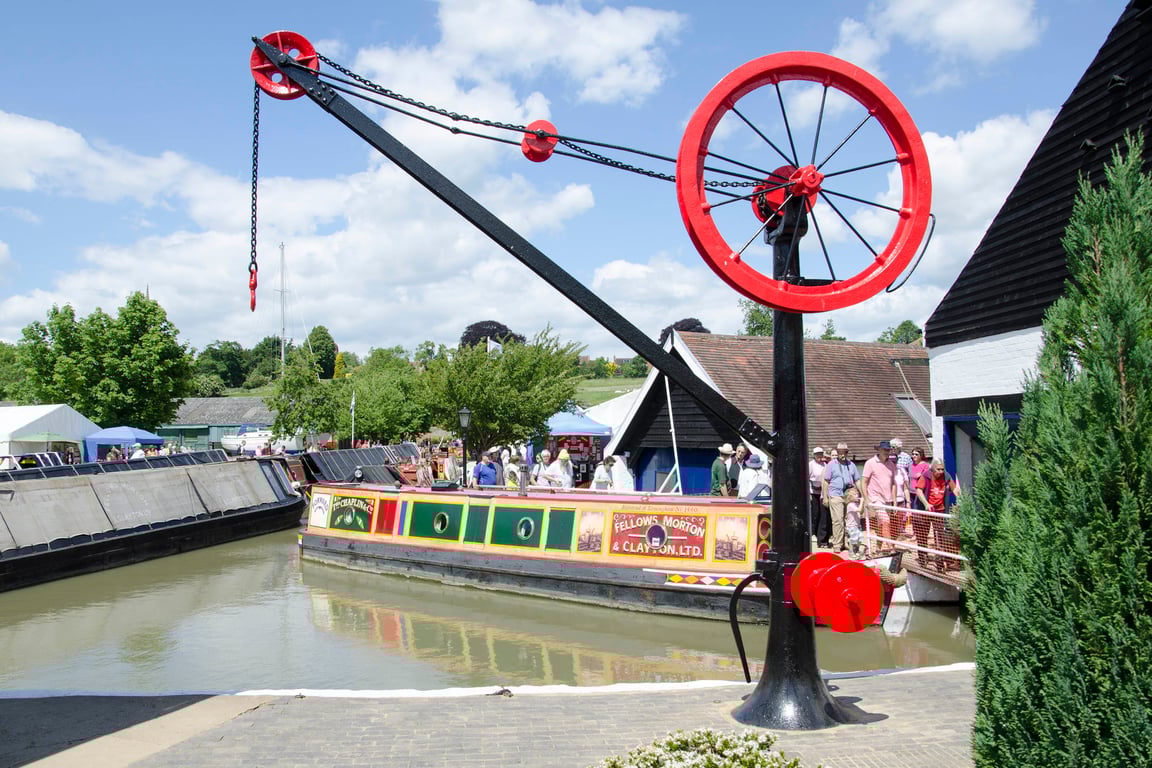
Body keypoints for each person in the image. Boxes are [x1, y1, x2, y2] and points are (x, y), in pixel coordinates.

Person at [915, 459, 961, 569]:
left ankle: (939, 563)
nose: (940, 472)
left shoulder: (946, 476)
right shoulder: (926, 476)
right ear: (932, 468)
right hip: (924, 510)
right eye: (938, 469)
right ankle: (922, 560)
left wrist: (961, 500)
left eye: (942, 469)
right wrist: (926, 504)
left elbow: (955, 489)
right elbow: (919, 490)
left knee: (939, 537)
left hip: (939, 510)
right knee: (922, 536)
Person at [823, 442, 862, 554]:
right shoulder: (831, 464)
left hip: (848, 495)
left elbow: (857, 480)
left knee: (847, 520)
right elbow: (826, 481)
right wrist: (825, 497)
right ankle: (837, 544)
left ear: (847, 452)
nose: (841, 454)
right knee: (838, 520)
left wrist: (862, 493)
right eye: (839, 452)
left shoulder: (851, 465)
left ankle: (844, 542)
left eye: (844, 452)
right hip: (835, 495)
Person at [862, 440, 898, 541]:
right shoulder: (870, 463)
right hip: (875, 498)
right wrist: (866, 498)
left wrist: (894, 502)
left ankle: (878, 548)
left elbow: (894, 484)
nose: (887, 451)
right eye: (884, 449)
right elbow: (863, 481)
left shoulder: (891, 464)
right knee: (886, 521)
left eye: (888, 449)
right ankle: (891, 548)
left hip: (888, 499)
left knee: (881, 525)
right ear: (879, 450)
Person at [808, 447, 830, 547]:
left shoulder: (825, 464)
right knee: (815, 513)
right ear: (814, 455)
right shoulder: (811, 464)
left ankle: (818, 534)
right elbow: (806, 478)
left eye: (820, 454)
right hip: (813, 491)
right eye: (817, 454)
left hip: (822, 491)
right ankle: (812, 533)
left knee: (823, 514)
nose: (819, 456)